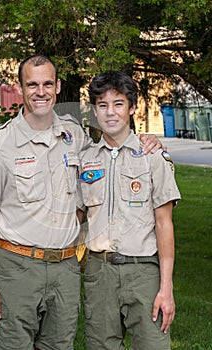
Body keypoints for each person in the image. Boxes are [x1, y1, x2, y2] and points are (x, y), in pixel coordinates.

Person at [0, 55, 163, 350]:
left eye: (47, 83)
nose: (40, 91)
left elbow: (105, 161)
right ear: (20, 88)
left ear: (57, 86)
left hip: (66, 269)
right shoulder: (0, 145)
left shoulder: (74, 135)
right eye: (32, 84)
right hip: (17, 267)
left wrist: (147, 140)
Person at [78, 71, 181, 350]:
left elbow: (164, 223)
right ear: (94, 110)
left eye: (118, 104)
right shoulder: (85, 160)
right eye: (102, 105)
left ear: (133, 107)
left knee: (153, 345)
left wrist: (166, 287)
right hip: (99, 272)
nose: (110, 113)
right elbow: (76, 217)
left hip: (142, 271)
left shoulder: (152, 157)